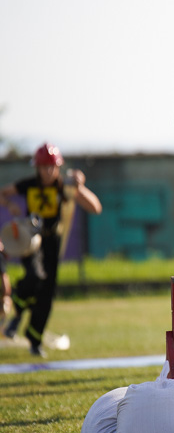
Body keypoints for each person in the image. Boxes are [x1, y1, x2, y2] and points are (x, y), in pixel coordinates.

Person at [0, 143, 102, 358]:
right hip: (31, 242)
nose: (47, 171)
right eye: (43, 166)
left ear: (58, 167)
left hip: (52, 243)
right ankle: (17, 315)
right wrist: (10, 206)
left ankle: (34, 340)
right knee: (35, 276)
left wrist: (79, 187)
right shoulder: (28, 185)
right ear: (36, 167)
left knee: (46, 294)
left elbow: (95, 207)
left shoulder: (63, 187)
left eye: (51, 167)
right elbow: (3, 193)